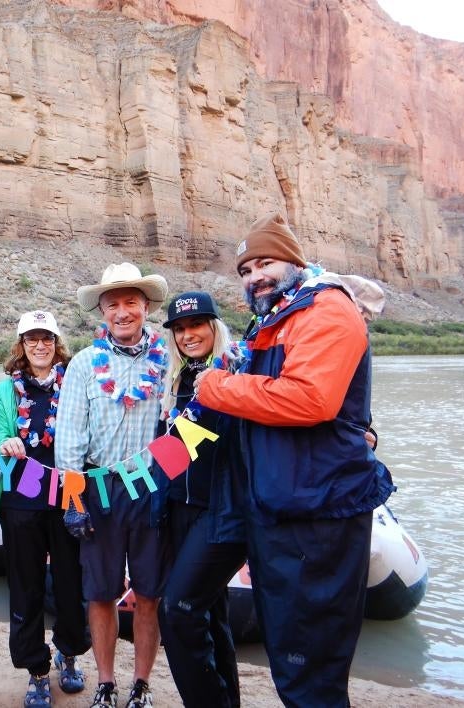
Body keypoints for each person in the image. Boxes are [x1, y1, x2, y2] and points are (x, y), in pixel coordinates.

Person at [196, 212, 395, 707]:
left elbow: (309, 399)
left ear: (294, 262)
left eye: (265, 263)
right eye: (245, 270)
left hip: (318, 514)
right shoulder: (278, 317)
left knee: (312, 672)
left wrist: (215, 386)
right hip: (285, 510)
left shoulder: (326, 310)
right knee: (293, 661)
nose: (254, 276)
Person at [55, 262, 170, 708]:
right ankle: (105, 682)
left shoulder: (167, 360)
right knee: (100, 592)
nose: (122, 311)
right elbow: (68, 435)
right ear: (102, 312)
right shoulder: (84, 364)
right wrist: (73, 499)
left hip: (150, 486)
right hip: (98, 487)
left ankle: (141, 683)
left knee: (149, 594)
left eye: (131, 302)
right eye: (113, 304)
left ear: (145, 307)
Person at [0, 310, 90, 708]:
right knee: (26, 585)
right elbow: (0, 430)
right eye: (32, 338)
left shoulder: (75, 380)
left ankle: (68, 653)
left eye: (46, 337)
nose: (40, 345)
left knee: (70, 581)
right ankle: (35, 668)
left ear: (57, 343)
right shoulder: (6, 390)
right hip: (23, 495)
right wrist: (6, 443)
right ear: (21, 345)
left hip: (68, 494)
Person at [155, 291, 247, 708]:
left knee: (177, 610)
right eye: (180, 329)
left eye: (196, 326)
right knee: (212, 612)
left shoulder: (238, 371)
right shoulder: (175, 380)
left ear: (214, 327)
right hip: (179, 507)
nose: (188, 335)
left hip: (224, 509)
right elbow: (169, 453)